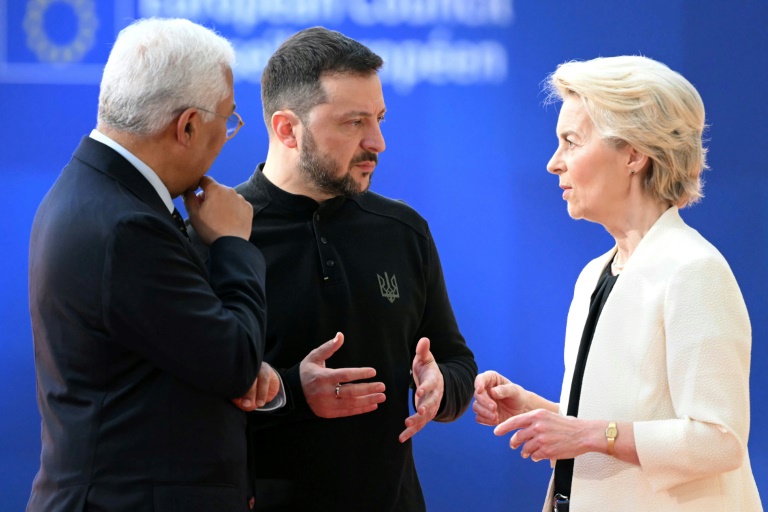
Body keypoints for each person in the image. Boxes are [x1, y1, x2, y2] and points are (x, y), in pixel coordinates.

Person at [189, 26, 477, 511]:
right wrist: (291, 393)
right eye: (354, 122)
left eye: (379, 119)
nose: (378, 142)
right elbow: (188, 396)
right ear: (287, 129)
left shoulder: (403, 230)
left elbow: (457, 362)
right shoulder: (216, 233)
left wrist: (441, 387)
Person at [473, 55, 763, 512]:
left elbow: (719, 440)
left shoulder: (694, 269)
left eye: (571, 142)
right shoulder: (594, 275)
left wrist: (586, 433)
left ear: (633, 154)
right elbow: (617, 427)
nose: (553, 163)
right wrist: (537, 411)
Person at [27, 18, 280, 512]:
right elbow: (234, 362)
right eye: (228, 119)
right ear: (187, 126)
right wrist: (233, 243)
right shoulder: (127, 226)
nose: (228, 135)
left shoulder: (97, 194)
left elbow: (170, 348)